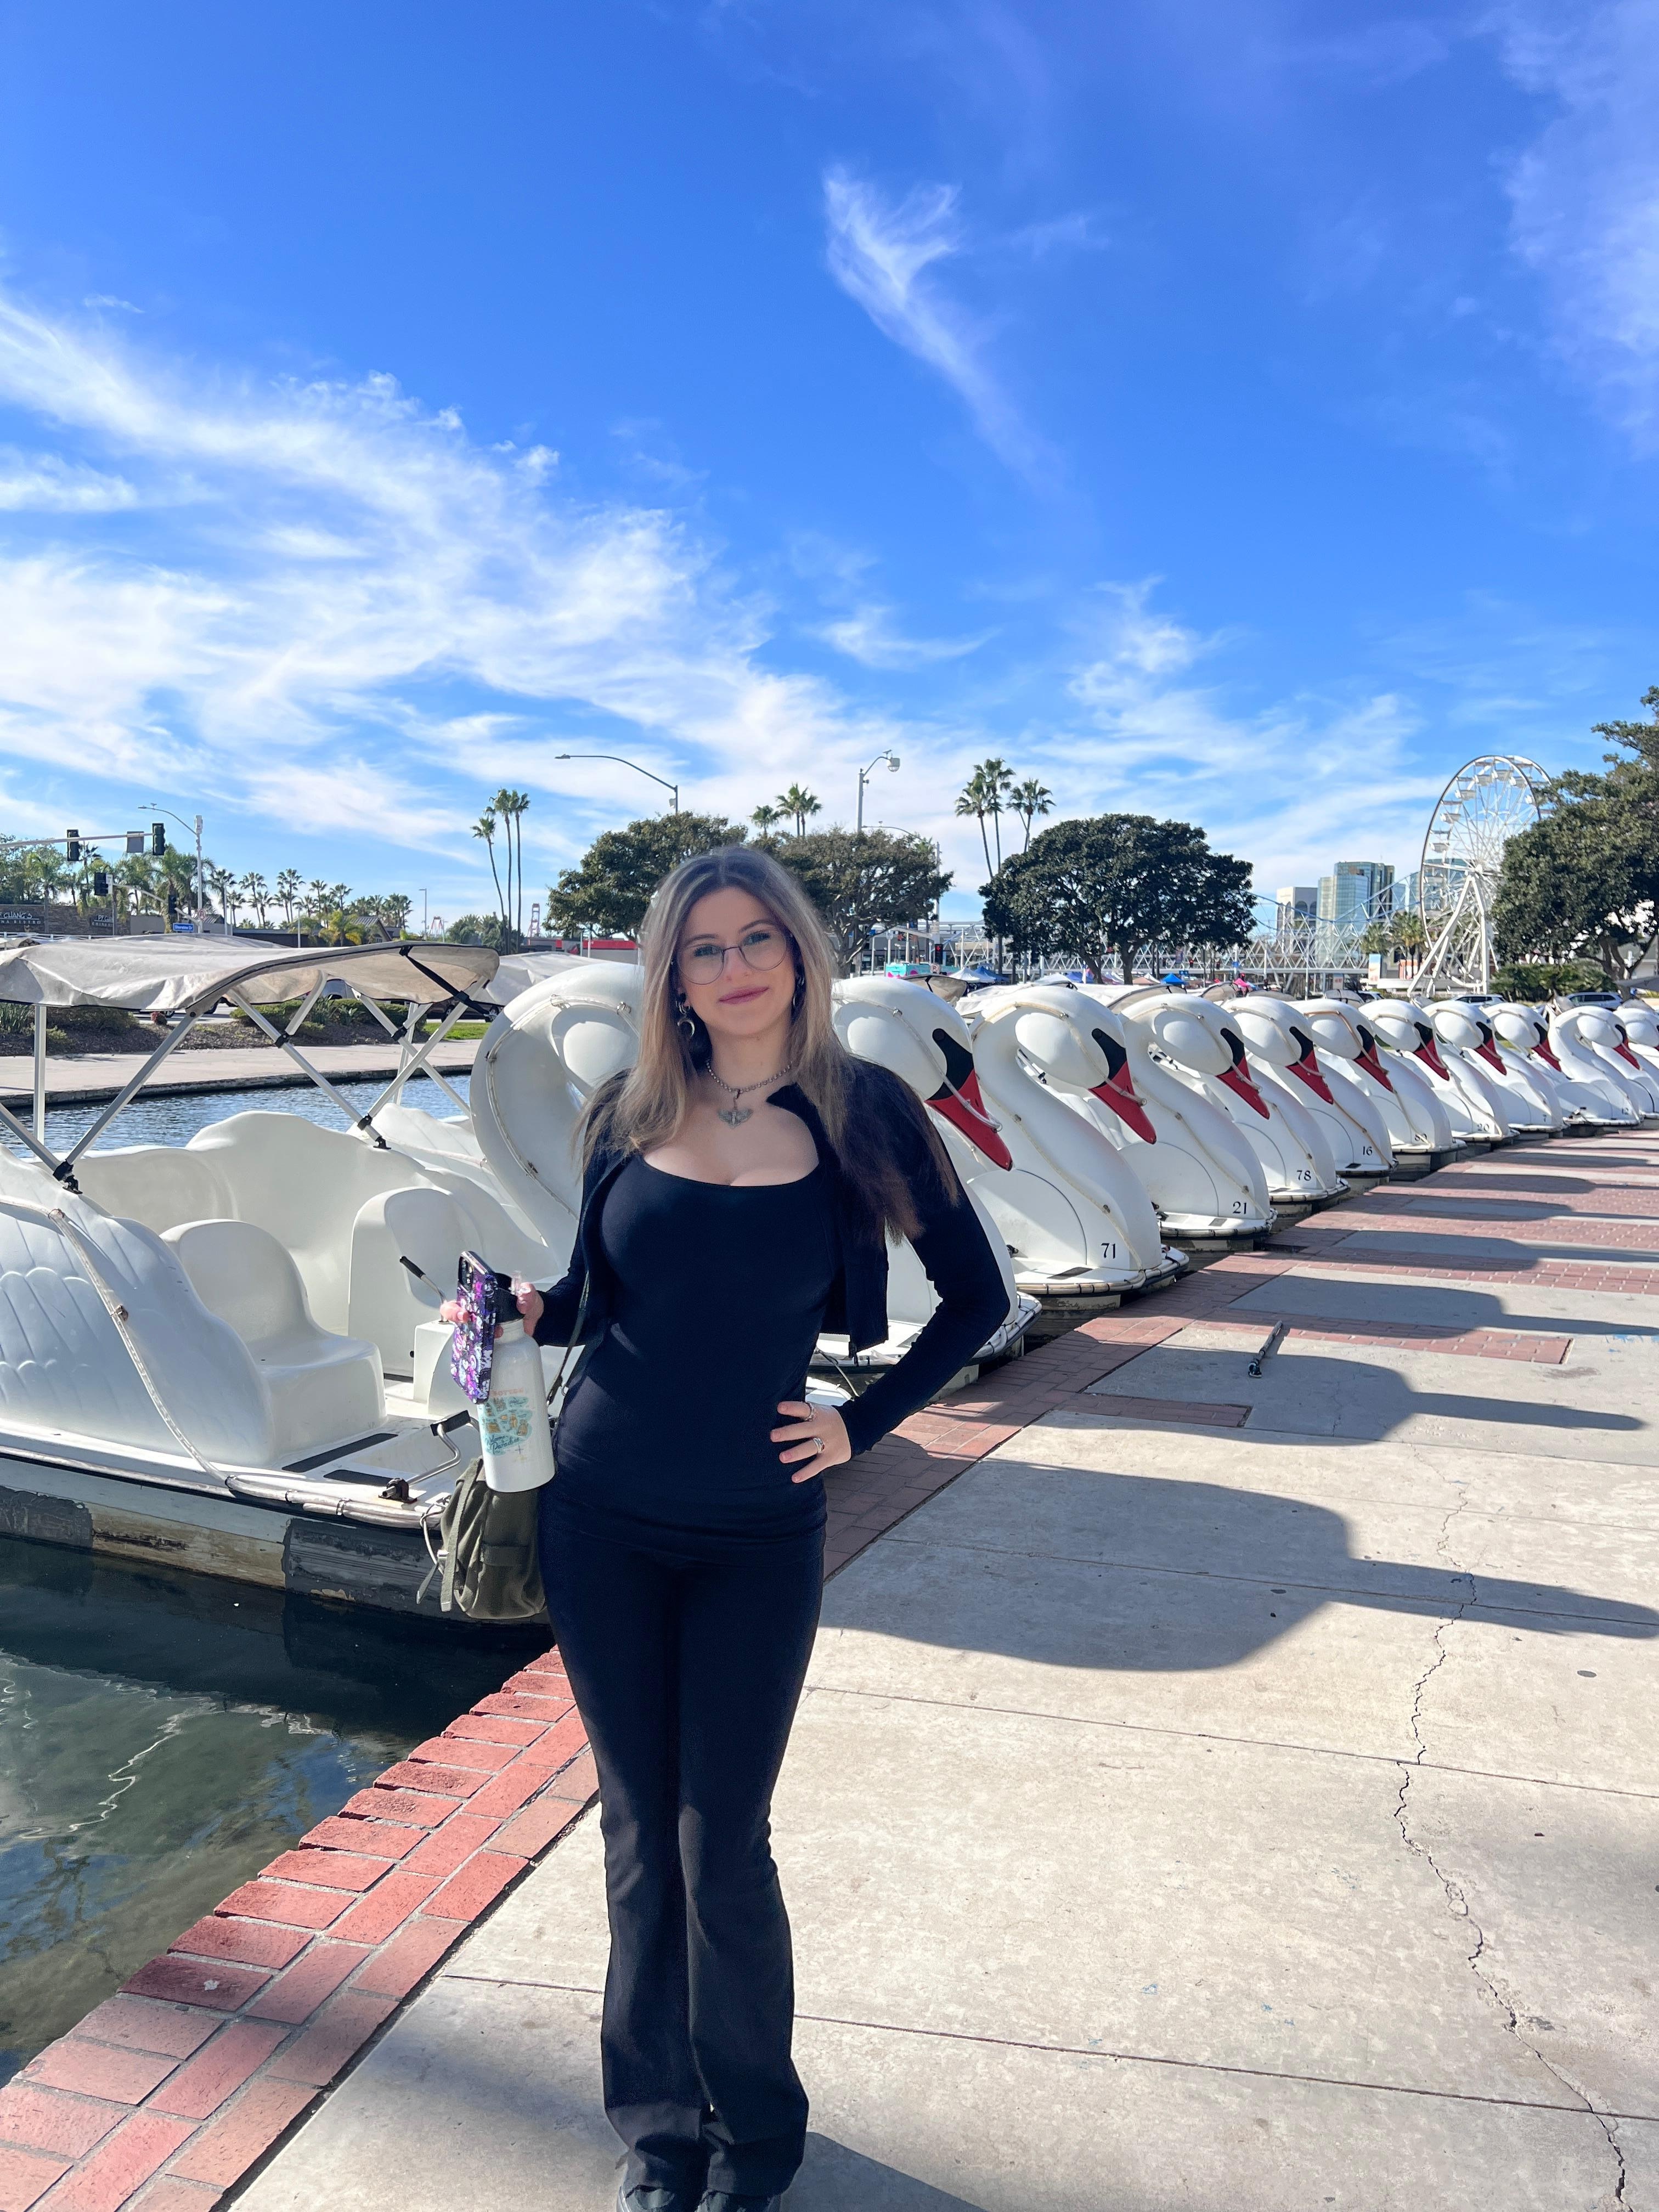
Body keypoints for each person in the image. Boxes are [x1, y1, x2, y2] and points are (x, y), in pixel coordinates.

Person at [500, 846, 1006, 2212]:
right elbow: (593, 1294)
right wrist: (517, 1311)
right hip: (599, 1513)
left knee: (723, 1842)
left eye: (753, 941)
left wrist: (864, 1422)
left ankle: (759, 2135)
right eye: (700, 949)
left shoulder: (870, 1113)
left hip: (754, 1528)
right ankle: (658, 2129)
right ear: (668, 973)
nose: (730, 970)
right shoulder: (625, 1107)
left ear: (799, 953)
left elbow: (978, 1299)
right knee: (631, 1833)